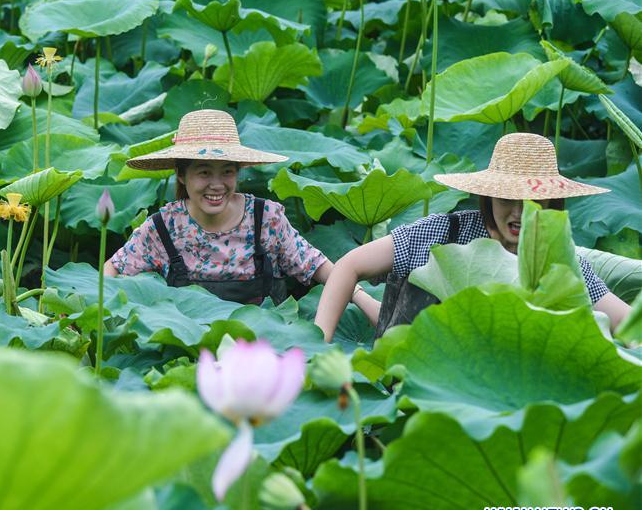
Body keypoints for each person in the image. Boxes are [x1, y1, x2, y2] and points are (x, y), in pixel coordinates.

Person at [314, 132, 631, 341]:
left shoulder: (562, 260)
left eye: (531, 201)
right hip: (407, 399)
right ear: (488, 196)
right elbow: (349, 265)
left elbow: (629, 324)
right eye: (508, 199)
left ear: (551, 202)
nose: (519, 213)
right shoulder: (443, 232)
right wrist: (319, 342)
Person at [103, 109, 344, 306]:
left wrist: (365, 300)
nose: (217, 185)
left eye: (227, 171)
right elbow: (113, 270)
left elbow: (316, 265)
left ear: (238, 172)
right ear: (181, 175)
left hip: (262, 349)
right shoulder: (163, 227)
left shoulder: (266, 219)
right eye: (204, 172)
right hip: (188, 353)